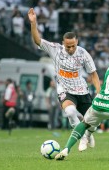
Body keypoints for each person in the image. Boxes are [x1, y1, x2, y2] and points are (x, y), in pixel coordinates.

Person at [28, 8, 101, 151]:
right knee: (70, 112)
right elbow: (37, 41)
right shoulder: (55, 49)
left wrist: (99, 92)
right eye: (68, 46)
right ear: (63, 43)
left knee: (93, 121)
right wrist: (33, 23)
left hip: (82, 90)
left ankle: (87, 134)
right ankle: (82, 137)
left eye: (73, 46)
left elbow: (93, 74)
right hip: (65, 89)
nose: (71, 49)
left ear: (77, 42)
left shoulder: (83, 53)